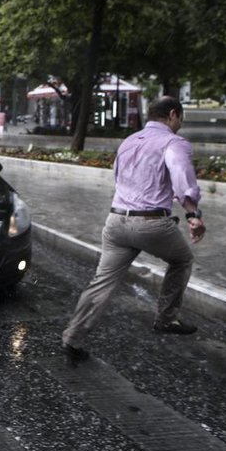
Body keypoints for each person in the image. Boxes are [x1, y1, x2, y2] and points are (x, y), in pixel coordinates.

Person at [62, 96, 207, 366]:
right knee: (182, 259)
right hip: (152, 224)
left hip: (116, 222)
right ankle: (166, 319)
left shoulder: (129, 142)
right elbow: (181, 178)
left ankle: (73, 337)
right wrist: (192, 215)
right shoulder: (174, 143)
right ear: (173, 114)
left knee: (101, 283)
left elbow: (120, 178)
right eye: (181, 118)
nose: (181, 124)